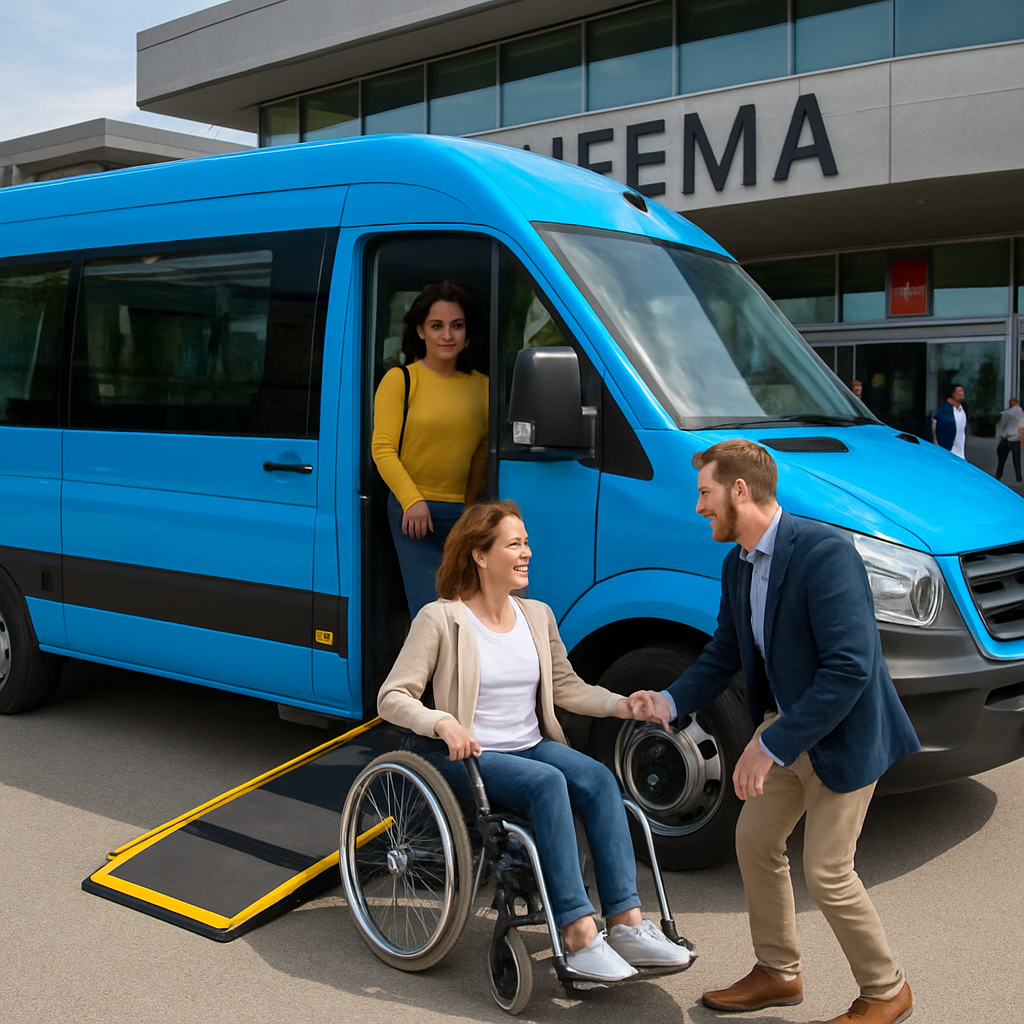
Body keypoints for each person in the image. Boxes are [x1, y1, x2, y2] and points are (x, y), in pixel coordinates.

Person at [630, 440, 919, 1024]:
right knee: (755, 842)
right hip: (787, 727)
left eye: (705, 492)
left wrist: (768, 742)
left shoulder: (823, 552)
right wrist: (668, 699)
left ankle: (887, 991)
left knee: (829, 873)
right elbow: (725, 654)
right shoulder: (737, 563)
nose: (699, 507)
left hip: (842, 731)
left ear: (741, 490)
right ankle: (778, 972)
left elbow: (849, 670)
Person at [377, 500, 692, 982]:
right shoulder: (440, 619)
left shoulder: (536, 615)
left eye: (526, 542)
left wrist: (622, 704)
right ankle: (578, 934)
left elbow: (566, 687)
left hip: (529, 744)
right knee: (548, 784)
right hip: (472, 758)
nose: (527, 552)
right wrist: (442, 722)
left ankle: (626, 924)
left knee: (598, 778)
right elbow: (392, 697)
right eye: (514, 544)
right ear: (480, 556)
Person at [371, 282, 489, 617]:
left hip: (462, 517)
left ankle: (457, 672)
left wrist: (469, 507)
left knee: (468, 612)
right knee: (431, 612)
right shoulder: (400, 380)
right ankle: (426, 671)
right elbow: (382, 449)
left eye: (456, 325)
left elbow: (482, 452)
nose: (447, 335)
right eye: (437, 326)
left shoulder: (483, 386)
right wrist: (412, 501)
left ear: (467, 333)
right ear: (421, 331)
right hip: (413, 514)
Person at [931, 383, 967, 458]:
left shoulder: (962, 411)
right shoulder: (944, 411)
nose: (962, 393)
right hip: (949, 452)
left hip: (960, 453)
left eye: (962, 391)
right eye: (959, 391)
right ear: (953, 394)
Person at [993, 396, 1024, 482]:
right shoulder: (1021, 413)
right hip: (1016, 438)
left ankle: (999, 473)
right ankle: (1018, 476)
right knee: (1016, 459)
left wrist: (999, 435)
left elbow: (1002, 425)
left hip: (1007, 438)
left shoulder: (1007, 413)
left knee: (1002, 458)